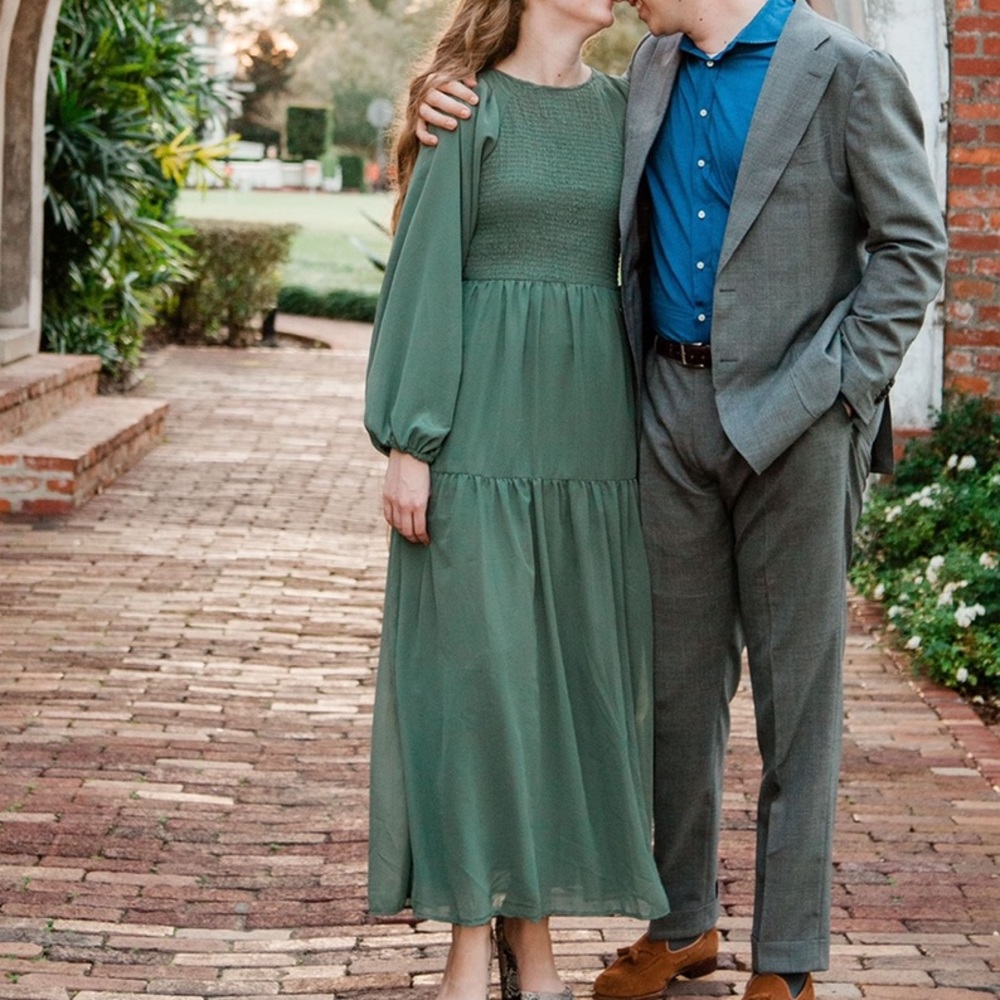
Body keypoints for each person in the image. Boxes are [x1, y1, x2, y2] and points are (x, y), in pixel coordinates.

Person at [415, 1, 948, 998]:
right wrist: (435, 98)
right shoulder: (650, 68)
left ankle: (786, 960)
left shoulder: (842, 69)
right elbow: (543, 134)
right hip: (664, 407)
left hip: (798, 423)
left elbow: (911, 249)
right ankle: (682, 923)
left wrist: (838, 388)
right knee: (670, 690)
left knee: (798, 703)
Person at [364, 1, 671, 999]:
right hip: (478, 431)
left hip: (589, 439)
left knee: (559, 688)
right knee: (477, 686)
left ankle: (531, 939)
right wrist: (411, 441)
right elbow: (422, 272)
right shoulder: (465, 110)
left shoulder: (629, 109)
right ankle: (466, 935)